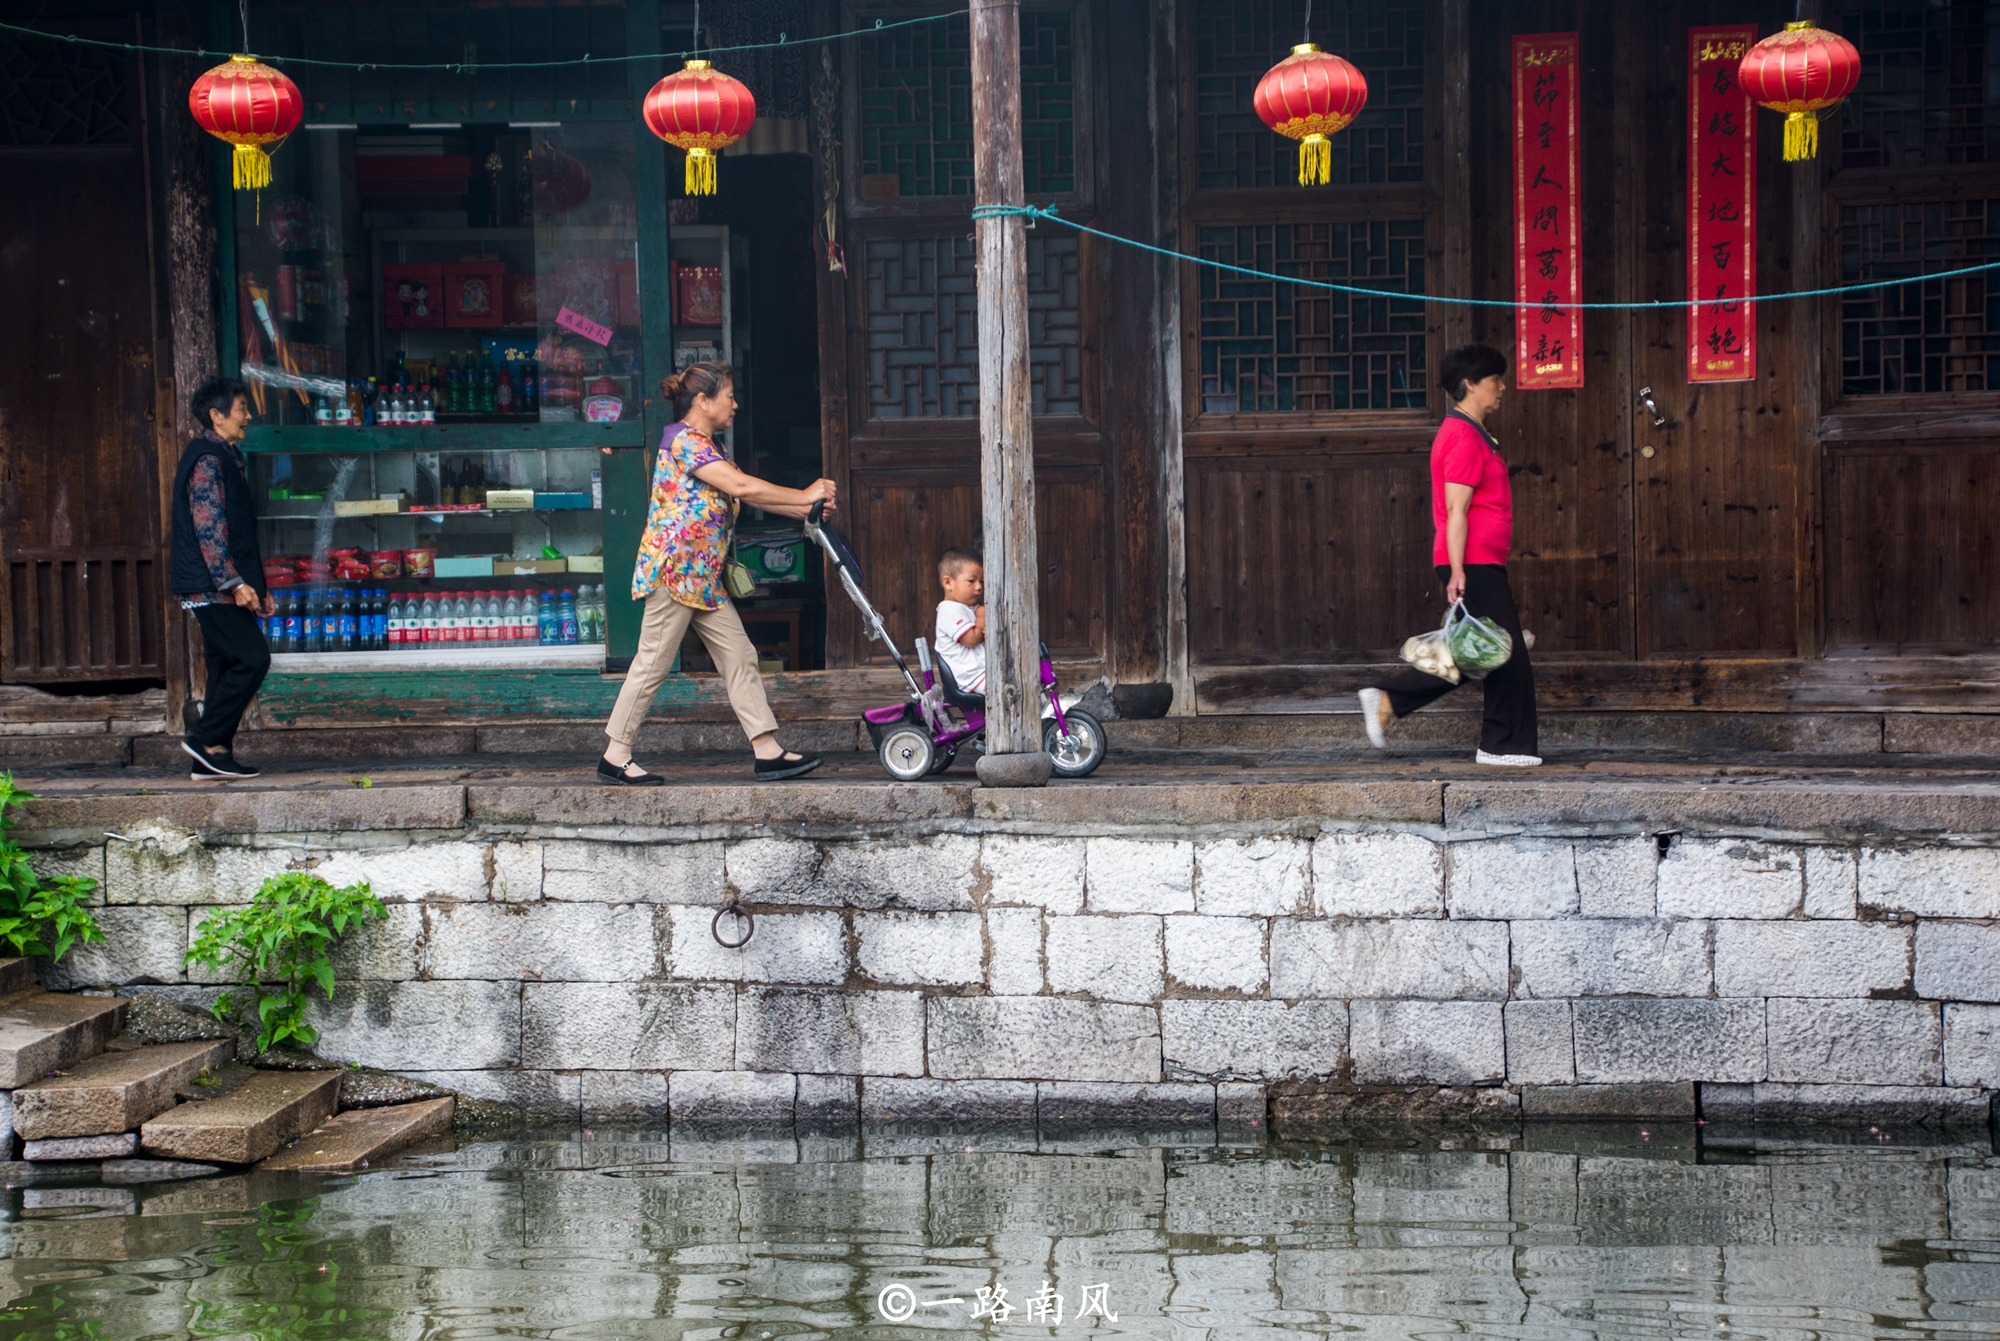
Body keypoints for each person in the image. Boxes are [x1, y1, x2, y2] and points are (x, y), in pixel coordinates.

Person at [601, 361, 837, 784]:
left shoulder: (710, 447)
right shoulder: (685, 443)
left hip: (702, 579)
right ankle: (615, 753)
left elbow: (743, 491)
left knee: (740, 656)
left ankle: (766, 750)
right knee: (653, 662)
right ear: (702, 401)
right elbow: (744, 488)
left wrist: (805, 508)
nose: (736, 404)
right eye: (729, 395)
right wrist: (804, 494)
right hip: (676, 574)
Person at [1358, 343, 1539, 766]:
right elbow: (1456, 510)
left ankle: (1390, 700)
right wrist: (1458, 570)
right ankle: (1501, 745)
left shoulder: (1473, 432)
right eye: (1495, 380)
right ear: (1470, 384)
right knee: (1506, 653)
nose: (1503, 387)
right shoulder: (1459, 434)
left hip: (1479, 559)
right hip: (1470, 561)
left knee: (1485, 650)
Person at [171, 375, 274, 779]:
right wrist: (235, 583)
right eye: (241, 408)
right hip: (211, 587)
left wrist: (258, 588)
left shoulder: (225, 456)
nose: (248, 415)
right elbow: (209, 529)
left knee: (226, 665)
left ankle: (213, 757)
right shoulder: (208, 461)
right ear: (216, 416)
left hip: (218, 584)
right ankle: (204, 738)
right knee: (252, 658)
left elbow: (239, 532)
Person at [933, 547, 987, 696]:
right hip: (971, 678)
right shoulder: (949, 610)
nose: (979, 587)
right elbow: (971, 639)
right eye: (971, 581)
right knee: (1012, 688)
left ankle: (1044, 709)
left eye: (981, 581)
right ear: (948, 583)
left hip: (981, 673)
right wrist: (982, 616)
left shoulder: (967, 608)